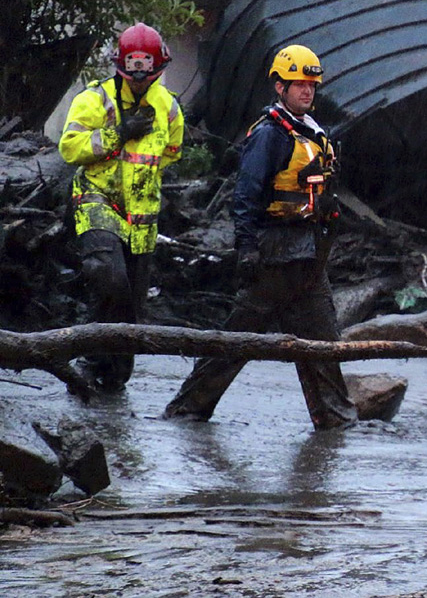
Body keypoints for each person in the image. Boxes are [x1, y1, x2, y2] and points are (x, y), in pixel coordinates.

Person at [163, 45, 357, 429]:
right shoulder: (269, 135)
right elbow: (246, 195)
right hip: (274, 257)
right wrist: (247, 248)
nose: (307, 91)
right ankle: (186, 412)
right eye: (299, 84)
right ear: (279, 87)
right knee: (237, 342)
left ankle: (337, 424)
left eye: (312, 85)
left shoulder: (315, 133)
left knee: (323, 345)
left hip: (308, 258)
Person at [59, 22, 184, 391]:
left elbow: (171, 153)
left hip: (142, 215)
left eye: (149, 72)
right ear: (121, 67)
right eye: (134, 72)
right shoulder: (95, 99)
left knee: (131, 302)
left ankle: (113, 380)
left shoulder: (170, 108)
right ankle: (85, 360)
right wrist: (119, 133)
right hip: (96, 200)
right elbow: (70, 147)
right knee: (108, 277)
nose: (141, 80)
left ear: (158, 69)